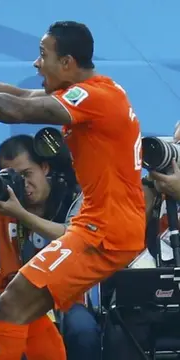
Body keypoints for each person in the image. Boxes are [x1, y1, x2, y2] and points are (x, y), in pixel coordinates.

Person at [0, 21, 146, 359]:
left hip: (106, 230)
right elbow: (18, 95)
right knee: (25, 309)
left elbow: (16, 110)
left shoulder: (95, 96)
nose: (36, 63)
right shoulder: (93, 92)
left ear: (67, 63)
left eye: (42, 55)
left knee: (15, 300)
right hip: (101, 226)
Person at [0, 135, 101, 360]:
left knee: (85, 332)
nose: (22, 184)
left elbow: (76, 237)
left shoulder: (74, 196)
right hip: (14, 298)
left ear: (44, 167)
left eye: (26, 174)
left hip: (66, 297)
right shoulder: (0, 203)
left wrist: (20, 214)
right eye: (12, 177)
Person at [102, 127, 180, 359]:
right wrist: (149, 187)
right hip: (157, 293)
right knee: (119, 326)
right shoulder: (160, 192)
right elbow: (124, 234)